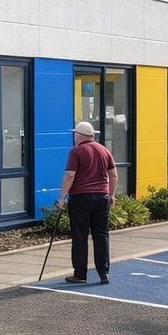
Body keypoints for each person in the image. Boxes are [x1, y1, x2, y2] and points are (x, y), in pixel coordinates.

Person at [58, 120, 118, 285]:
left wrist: (62, 197)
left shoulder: (76, 151)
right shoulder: (104, 150)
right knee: (101, 235)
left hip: (81, 198)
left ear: (78, 135)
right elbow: (113, 175)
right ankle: (103, 273)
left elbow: (70, 175)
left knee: (80, 236)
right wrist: (111, 195)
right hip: (102, 198)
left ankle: (80, 274)